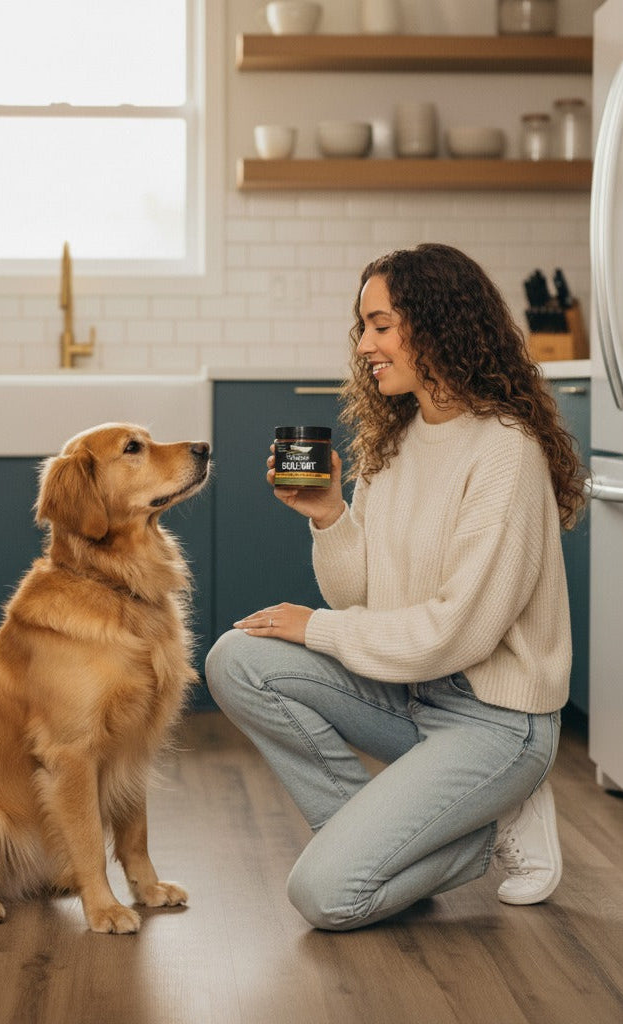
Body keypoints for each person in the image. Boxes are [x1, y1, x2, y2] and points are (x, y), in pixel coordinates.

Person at [205, 243, 586, 931]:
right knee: (236, 658)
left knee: (325, 896)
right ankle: (440, 827)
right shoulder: (395, 440)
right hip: (411, 695)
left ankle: (468, 832)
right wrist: (329, 513)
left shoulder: (505, 453)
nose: (366, 346)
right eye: (365, 328)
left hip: (495, 720)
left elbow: (453, 632)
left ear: (438, 325)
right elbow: (361, 598)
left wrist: (313, 627)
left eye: (381, 325)